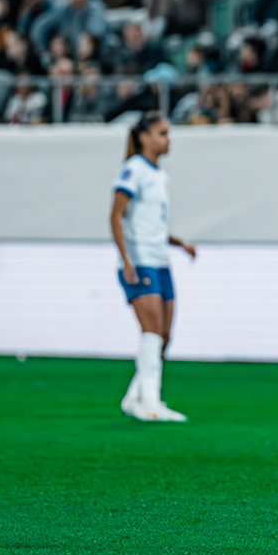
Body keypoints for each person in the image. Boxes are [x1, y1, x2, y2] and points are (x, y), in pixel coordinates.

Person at [109, 113, 197, 424]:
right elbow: (116, 215)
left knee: (163, 334)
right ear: (144, 136)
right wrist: (127, 259)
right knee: (151, 332)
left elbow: (150, 222)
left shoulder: (158, 175)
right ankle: (151, 402)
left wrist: (178, 242)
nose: (167, 139)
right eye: (161, 133)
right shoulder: (133, 170)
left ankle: (135, 397)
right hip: (141, 260)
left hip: (159, 260)